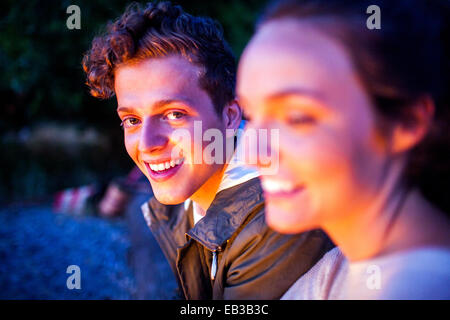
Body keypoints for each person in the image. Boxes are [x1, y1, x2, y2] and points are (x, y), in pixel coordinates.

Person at [82, 1, 333, 299]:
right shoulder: (187, 192)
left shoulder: (276, 221)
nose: (148, 144)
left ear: (229, 116)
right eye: (133, 120)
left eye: (174, 114)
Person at [237, 0, 450, 299]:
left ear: (407, 121)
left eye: (296, 118)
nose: (252, 153)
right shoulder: (342, 265)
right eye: (249, 115)